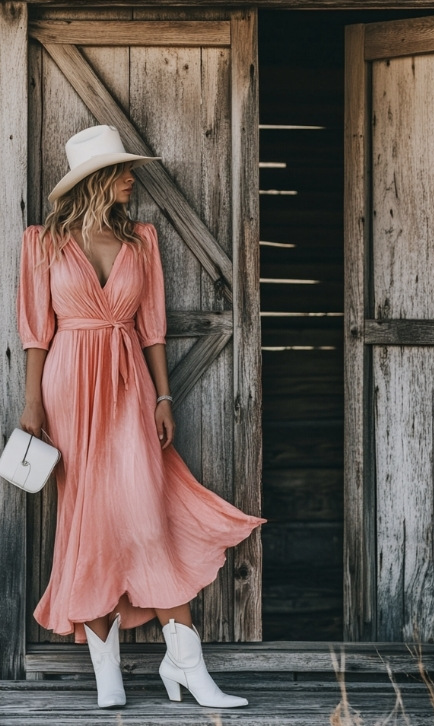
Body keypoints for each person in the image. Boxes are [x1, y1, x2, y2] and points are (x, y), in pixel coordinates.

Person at [17, 124, 265, 710]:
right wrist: (31, 402)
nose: (133, 178)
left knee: (146, 515)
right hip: (68, 384)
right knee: (88, 520)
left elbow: (152, 329)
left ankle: (185, 662)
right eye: (124, 170)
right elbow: (36, 332)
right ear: (99, 180)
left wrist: (163, 396)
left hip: (129, 381)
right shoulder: (42, 243)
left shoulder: (141, 242)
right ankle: (109, 674)